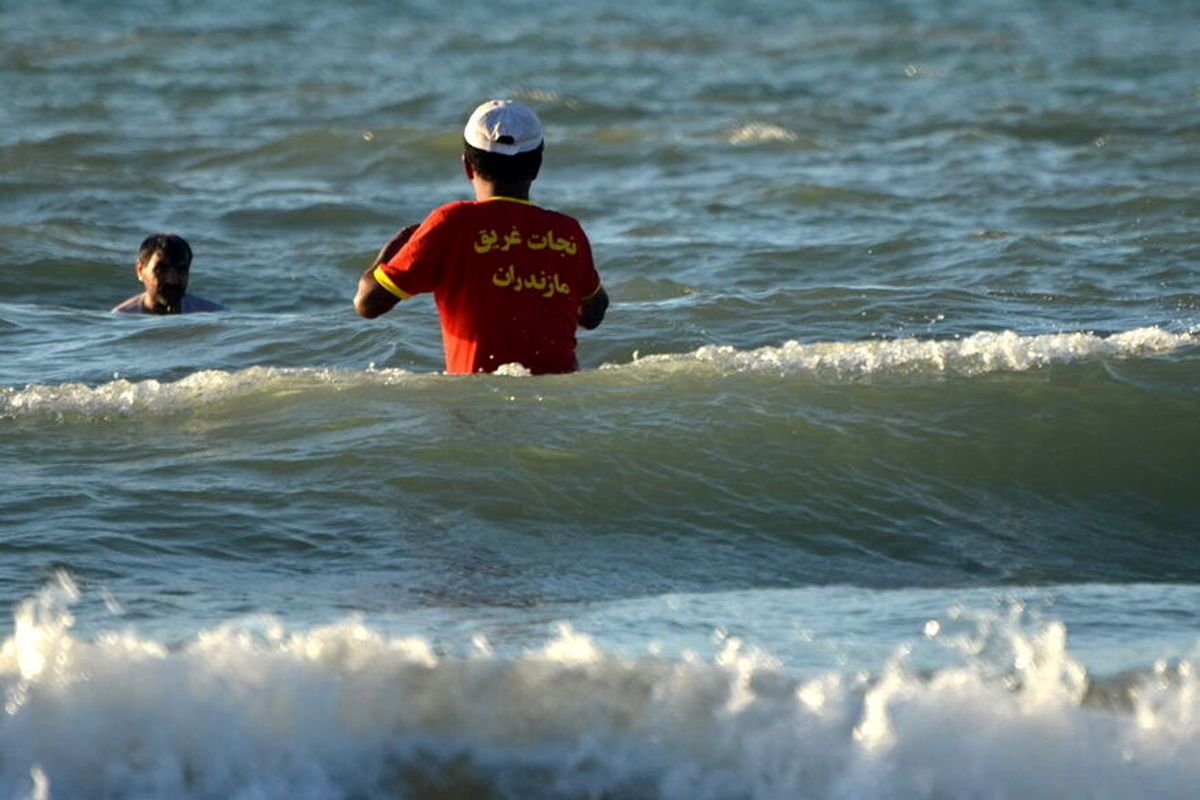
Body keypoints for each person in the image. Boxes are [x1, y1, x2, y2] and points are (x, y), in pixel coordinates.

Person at [354, 99, 608, 374]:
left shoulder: (450, 224)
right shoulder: (567, 232)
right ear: (537, 165)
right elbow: (594, 313)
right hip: (559, 404)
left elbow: (367, 303)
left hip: (478, 406)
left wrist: (395, 247)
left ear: (467, 166)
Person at [112, 233, 225, 314]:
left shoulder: (212, 316)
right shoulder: (122, 320)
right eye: (161, 270)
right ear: (140, 270)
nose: (172, 280)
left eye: (181, 270)